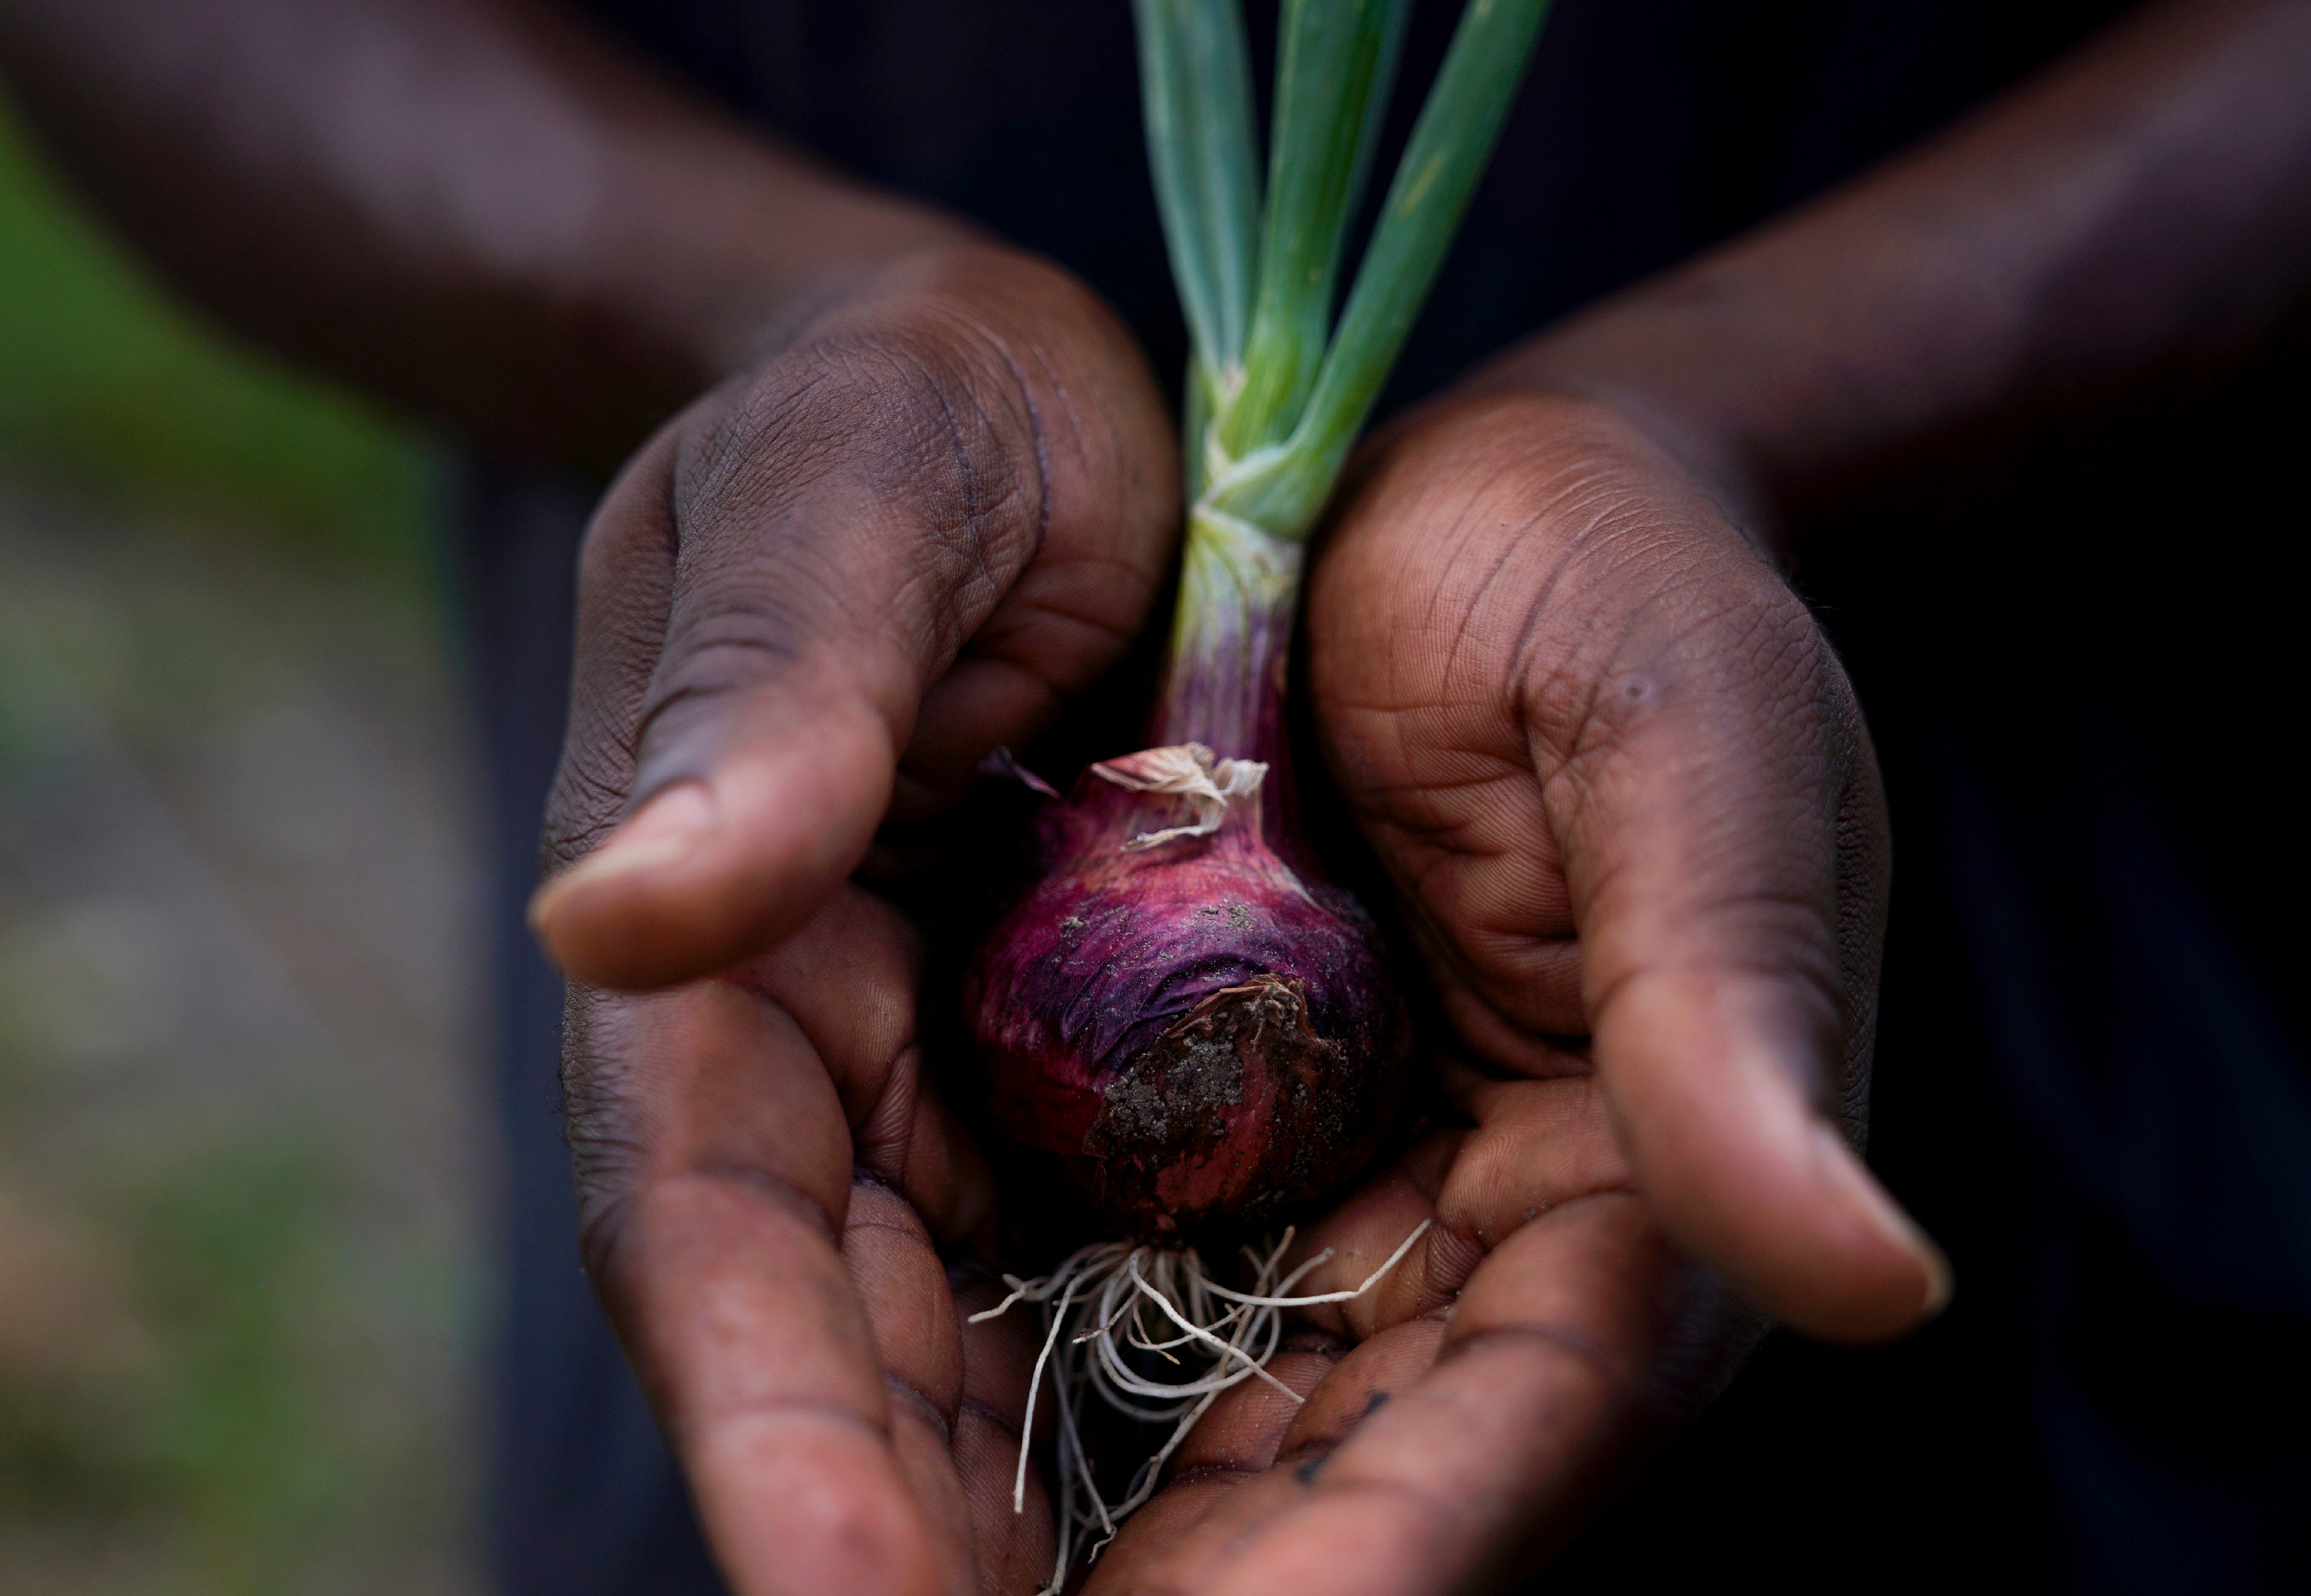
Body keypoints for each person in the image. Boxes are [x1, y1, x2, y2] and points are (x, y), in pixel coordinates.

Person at [3, 1, 2304, 1591]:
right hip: (837, 846)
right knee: (808, 1445)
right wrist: (784, 313)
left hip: (2013, 782)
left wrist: (1730, 421)